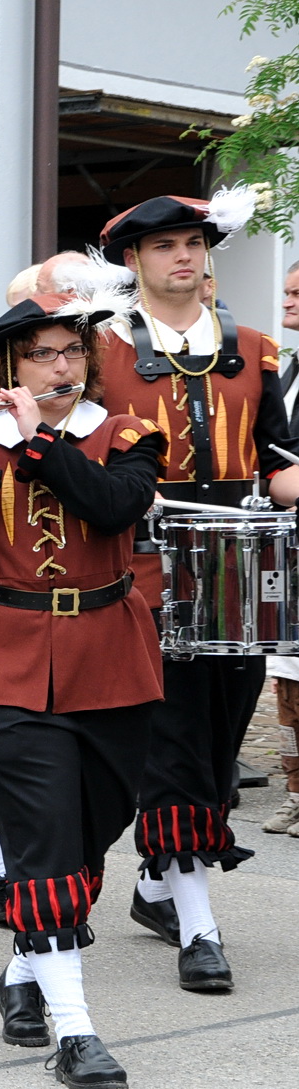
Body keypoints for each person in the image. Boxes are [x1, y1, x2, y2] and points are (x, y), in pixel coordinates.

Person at [0, 291, 165, 1089]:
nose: (59, 367)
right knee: (43, 832)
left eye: (69, 354)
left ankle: (23, 968)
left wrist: (38, 439)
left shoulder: (124, 437)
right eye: (41, 356)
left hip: (107, 657)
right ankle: (76, 1027)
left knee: (91, 829)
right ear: (7, 370)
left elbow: (112, 507)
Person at [91, 190, 299, 993]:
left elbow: (276, 461)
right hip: (141, 569)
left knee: (216, 743)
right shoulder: (99, 350)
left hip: (237, 569)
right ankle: (198, 926)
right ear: (133, 261)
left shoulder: (253, 348)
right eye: (164, 246)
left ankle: (156, 886)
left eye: (192, 244)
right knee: (174, 740)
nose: (183, 256)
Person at [265, 259, 299, 836]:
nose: (286, 302)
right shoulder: (288, 368)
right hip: (289, 537)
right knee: (290, 671)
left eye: (298, 294)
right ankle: (297, 788)